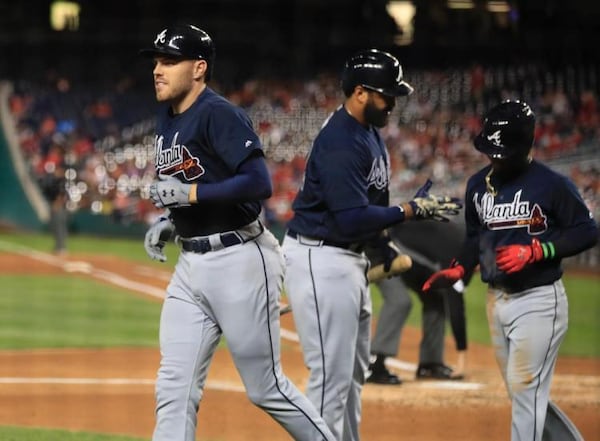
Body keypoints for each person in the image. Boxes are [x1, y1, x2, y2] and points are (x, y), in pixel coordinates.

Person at [140, 24, 336, 441]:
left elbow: (257, 183)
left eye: (169, 61)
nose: (158, 69)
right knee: (173, 386)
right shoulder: (167, 117)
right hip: (191, 267)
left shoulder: (218, 114)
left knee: (266, 388)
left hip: (241, 259)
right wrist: (173, 222)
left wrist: (189, 195)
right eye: (156, 60)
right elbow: (197, 184)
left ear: (198, 68)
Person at [281, 49, 462, 441]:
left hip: (347, 262)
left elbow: (369, 208)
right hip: (321, 258)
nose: (393, 102)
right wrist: (409, 210)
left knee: (350, 380)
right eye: (386, 94)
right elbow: (349, 217)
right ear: (360, 93)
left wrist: (382, 246)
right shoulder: (342, 141)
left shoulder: (368, 133)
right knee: (331, 382)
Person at [423, 100, 598, 441]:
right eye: (490, 150)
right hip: (496, 301)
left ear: (524, 145)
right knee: (525, 397)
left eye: (501, 151)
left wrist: (537, 250)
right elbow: (475, 237)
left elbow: (587, 231)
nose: (494, 157)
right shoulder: (477, 185)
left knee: (524, 394)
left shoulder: (553, 186)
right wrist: (460, 268)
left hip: (539, 301)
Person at [365, 219, 473, 385]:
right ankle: (374, 362)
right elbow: (456, 302)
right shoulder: (456, 252)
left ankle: (430, 364)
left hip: (410, 259)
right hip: (382, 251)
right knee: (399, 301)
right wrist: (462, 355)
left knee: (435, 299)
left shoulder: (465, 245)